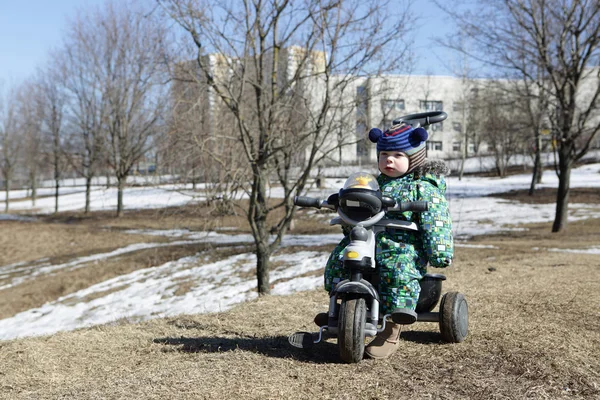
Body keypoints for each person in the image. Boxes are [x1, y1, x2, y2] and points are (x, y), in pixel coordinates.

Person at [319, 122, 454, 359]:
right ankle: (341, 311)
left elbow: (437, 220)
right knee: (340, 259)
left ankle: (392, 326)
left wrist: (439, 251)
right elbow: (359, 207)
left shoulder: (422, 188)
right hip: (368, 240)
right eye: (384, 155)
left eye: (398, 155)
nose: (389, 160)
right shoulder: (373, 184)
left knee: (397, 270)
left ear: (415, 158)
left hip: (402, 246)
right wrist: (345, 203)